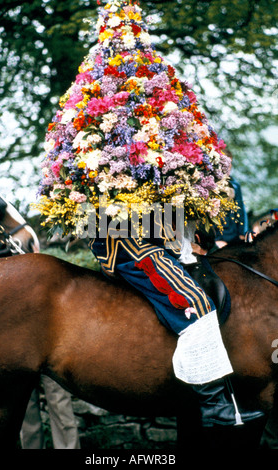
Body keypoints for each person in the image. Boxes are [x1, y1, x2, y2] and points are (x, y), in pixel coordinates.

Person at [35, 0, 263, 427]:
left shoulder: (154, 103)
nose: (131, 36)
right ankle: (215, 405)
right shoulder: (92, 107)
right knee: (193, 300)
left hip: (152, 237)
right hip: (129, 246)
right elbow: (96, 216)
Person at [0, 184, 80, 449]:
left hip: (40, 333)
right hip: (10, 340)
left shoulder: (18, 252)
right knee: (25, 413)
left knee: (59, 404)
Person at [214, 149, 249, 249]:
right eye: (225, 164)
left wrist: (243, 233)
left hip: (232, 234)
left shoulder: (234, 184)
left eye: (230, 164)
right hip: (215, 235)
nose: (228, 168)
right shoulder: (209, 183)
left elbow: (241, 210)